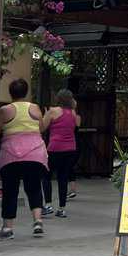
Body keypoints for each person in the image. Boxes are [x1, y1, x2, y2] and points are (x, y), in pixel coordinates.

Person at [0, 78, 47, 238]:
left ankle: (7, 228)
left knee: (10, 190)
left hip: (11, 155)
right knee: (34, 188)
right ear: (26, 92)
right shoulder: (35, 108)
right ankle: (38, 221)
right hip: (35, 153)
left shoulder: (5, 110)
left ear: (10, 93)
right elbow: (41, 128)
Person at [40, 89, 81, 218]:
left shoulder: (53, 111)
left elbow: (42, 128)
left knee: (46, 176)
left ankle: (48, 205)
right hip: (70, 149)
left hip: (55, 148)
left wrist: (44, 115)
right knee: (63, 177)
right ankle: (62, 209)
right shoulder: (73, 113)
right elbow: (76, 126)